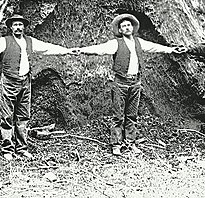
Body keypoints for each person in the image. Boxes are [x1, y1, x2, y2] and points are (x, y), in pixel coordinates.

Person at [0, 14, 74, 160]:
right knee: (6, 116)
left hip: (25, 82)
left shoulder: (30, 42)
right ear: (11, 27)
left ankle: (22, 148)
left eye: (20, 24)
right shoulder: (5, 42)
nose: (18, 27)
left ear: (24, 27)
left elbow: (47, 48)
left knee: (23, 116)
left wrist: (67, 51)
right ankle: (8, 149)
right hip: (9, 82)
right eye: (15, 25)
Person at [78, 14, 185, 156]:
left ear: (133, 28)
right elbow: (100, 49)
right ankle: (116, 144)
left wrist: (171, 50)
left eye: (129, 25)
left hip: (135, 83)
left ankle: (130, 143)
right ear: (120, 30)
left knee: (132, 114)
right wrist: (82, 50)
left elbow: (154, 47)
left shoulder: (139, 42)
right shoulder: (116, 43)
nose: (127, 27)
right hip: (121, 84)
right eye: (123, 26)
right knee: (118, 115)